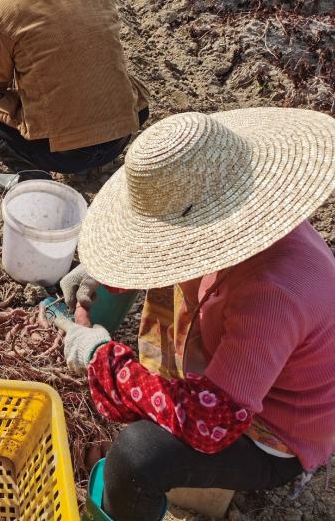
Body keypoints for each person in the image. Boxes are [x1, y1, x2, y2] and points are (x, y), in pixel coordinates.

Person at [57, 108, 335, 520]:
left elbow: (211, 421)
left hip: (271, 430)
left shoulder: (273, 293)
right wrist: (107, 273)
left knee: (136, 456)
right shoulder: (245, 225)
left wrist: (102, 358)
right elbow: (171, 254)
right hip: (245, 370)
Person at [0, 0, 150, 190]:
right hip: (121, 134)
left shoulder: (0, 11)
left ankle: (34, 178)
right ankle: (92, 163)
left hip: (60, 155)